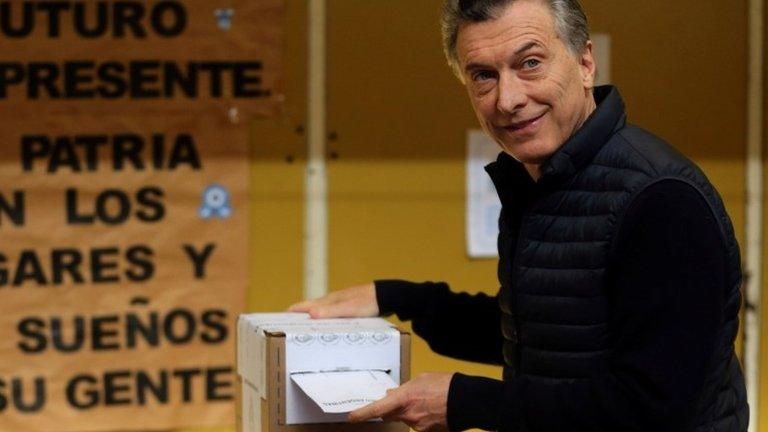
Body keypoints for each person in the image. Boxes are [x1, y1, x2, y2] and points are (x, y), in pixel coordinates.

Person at [288, 0, 749, 430]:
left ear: (585, 63)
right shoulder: (543, 182)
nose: (507, 99)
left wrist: (462, 401)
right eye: (483, 75)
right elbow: (546, 336)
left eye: (530, 64)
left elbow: (653, 405)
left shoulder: (661, 198)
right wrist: (397, 297)